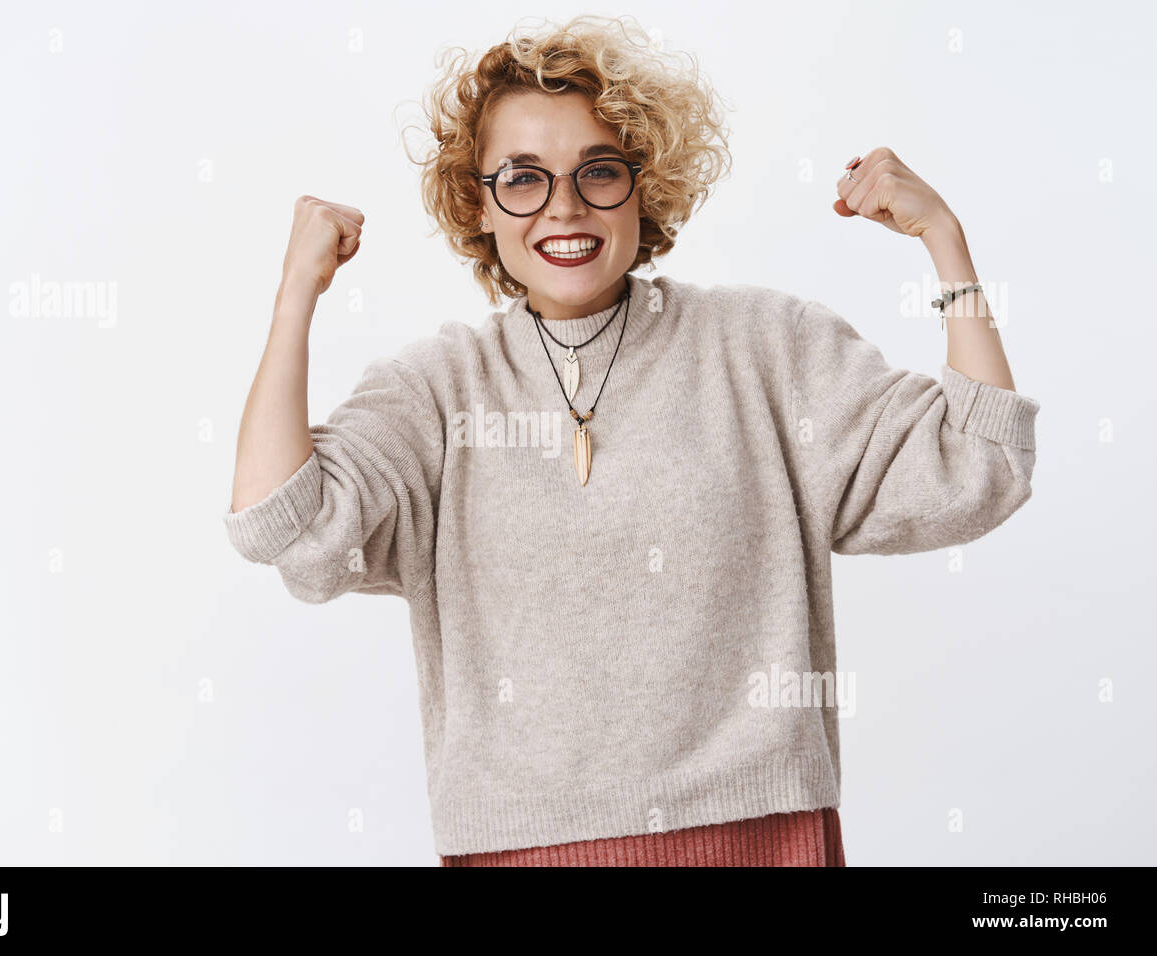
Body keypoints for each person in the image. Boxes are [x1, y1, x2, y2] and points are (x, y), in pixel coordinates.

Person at [223, 15, 1040, 866]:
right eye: (524, 179)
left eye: (599, 172)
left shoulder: (764, 347)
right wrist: (296, 297)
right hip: (524, 848)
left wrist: (946, 243)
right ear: (479, 201)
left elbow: (979, 465)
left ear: (645, 186)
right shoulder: (435, 390)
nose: (565, 208)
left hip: (760, 837)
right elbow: (280, 525)